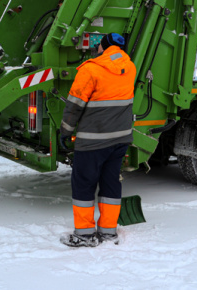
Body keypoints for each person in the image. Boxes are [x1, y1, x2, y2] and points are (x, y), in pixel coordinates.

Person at [59, 32, 136, 247]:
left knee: (84, 184)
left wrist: (65, 131)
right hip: (119, 139)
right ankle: (108, 232)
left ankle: (84, 235)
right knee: (110, 184)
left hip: (92, 141)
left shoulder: (90, 69)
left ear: (103, 46)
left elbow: (74, 105)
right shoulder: (130, 67)